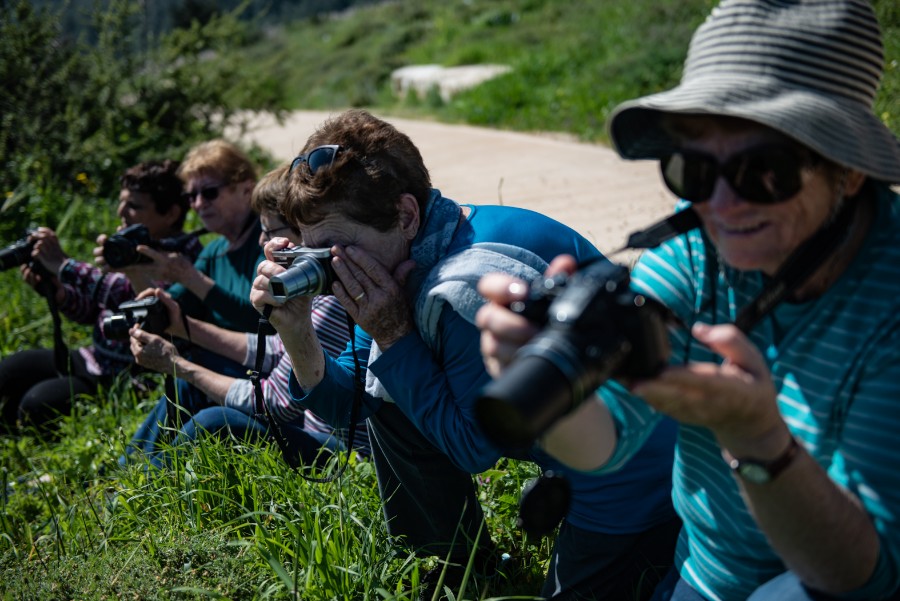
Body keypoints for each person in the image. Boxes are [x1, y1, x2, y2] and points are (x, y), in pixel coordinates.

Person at [476, 1, 900, 600]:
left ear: (850, 172)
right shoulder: (694, 249)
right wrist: (543, 375)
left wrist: (757, 440)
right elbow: (605, 441)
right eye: (693, 169)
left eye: (765, 171)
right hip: (704, 578)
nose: (721, 206)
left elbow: (863, 578)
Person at [249, 109, 680, 600]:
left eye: (334, 245)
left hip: (633, 468)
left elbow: (474, 448)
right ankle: (447, 569)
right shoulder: (420, 241)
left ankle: (666, 544)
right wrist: (296, 330)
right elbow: (351, 409)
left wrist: (393, 333)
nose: (323, 265)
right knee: (392, 394)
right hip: (577, 441)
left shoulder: (460, 287)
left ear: (405, 215)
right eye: (311, 247)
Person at [126, 165, 369, 468]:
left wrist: (176, 365)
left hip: (348, 457)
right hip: (313, 431)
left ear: (303, 231)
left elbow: (275, 403)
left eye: (270, 230)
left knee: (215, 421)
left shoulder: (333, 300)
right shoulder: (318, 286)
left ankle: (145, 490)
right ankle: (130, 474)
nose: (261, 240)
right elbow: (274, 352)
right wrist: (185, 327)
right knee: (196, 382)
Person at [0, 159, 201, 434]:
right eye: (122, 202)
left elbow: (130, 296)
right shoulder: (131, 244)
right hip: (94, 356)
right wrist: (60, 295)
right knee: (8, 371)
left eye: (134, 206)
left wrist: (63, 265)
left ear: (170, 213)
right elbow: (95, 311)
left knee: (34, 405)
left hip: (123, 376)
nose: (122, 211)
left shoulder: (182, 258)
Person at [121, 139, 266, 461]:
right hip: (227, 368)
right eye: (192, 196)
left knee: (195, 371)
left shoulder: (266, 243)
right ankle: (131, 468)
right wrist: (136, 274)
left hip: (267, 373)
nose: (199, 204)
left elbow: (262, 321)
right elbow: (174, 312)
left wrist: (192, 278)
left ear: (246, 188)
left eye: (210, 192)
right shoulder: (215, 251)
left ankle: (142, 476)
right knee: (188, 377)